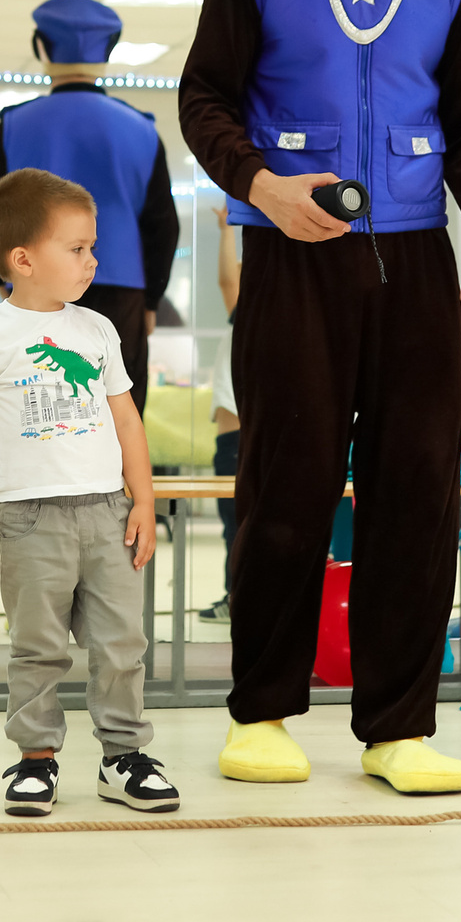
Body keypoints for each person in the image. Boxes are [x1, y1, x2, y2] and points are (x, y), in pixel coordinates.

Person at [179, 0, 461, 797]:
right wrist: (260, 187)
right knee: (288, 486)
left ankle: (397, 727)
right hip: (293, 256)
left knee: (417, 494)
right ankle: (264, 711)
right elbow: (205, 101)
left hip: (414, 262)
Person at [0, 169, 178, 818]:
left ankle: (123, 755)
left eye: (91, 245)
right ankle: (36, 758)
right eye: (77, 248)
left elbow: (126, 419)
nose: (93, 259)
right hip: (30, 515)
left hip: (106, 510)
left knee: (120, 641)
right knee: (37, 644)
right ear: (24, 258)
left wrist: (143, 499)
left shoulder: (98, 330)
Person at [0, 0, 178, 413]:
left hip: (34, 285)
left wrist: (2, 276)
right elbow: (161, 225)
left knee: (41, 410)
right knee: (117, 412)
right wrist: (151, 302)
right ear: (109, 50)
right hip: (123, 293)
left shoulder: (14, 124)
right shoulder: (141, 129)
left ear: (41, 47)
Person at [201, 203, 241, 625]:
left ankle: (238, 598)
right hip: (238, 438)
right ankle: (240, 597)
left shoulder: (249, 313)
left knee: (236, 524)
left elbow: (228, 279)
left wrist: (228, 230)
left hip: (237, 440)